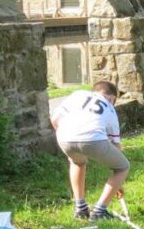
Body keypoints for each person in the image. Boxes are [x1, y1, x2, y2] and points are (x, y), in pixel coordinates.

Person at [50, 80, 129, 220]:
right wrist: (117, 183)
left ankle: (80, 207)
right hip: (93, 138)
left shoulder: (78, 94)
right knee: (122, 167)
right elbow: (116, 145)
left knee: (77, 163)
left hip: (64, 137)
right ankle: (99, 211)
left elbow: (55, 119)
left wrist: (67, 137)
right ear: (111, 98)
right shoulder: (110, 108)